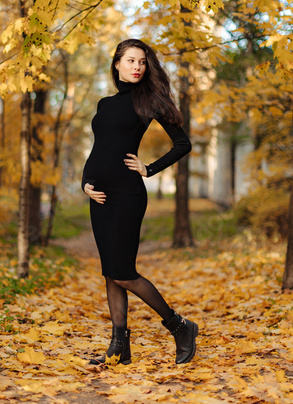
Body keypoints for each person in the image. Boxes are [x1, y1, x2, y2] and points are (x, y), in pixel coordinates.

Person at [81, 39, 198, 365]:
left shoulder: (148, 101)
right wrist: (85, 184)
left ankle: (180, 327)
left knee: (123, 272)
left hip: (127, 196)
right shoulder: (105, 103)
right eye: (130, 60)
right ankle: (120, 346)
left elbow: (182, 143)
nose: (136, 66)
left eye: (142, 62)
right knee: (110, 272)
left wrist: (149, 168)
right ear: (117, 64)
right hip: (99, 197)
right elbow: (99, 149)